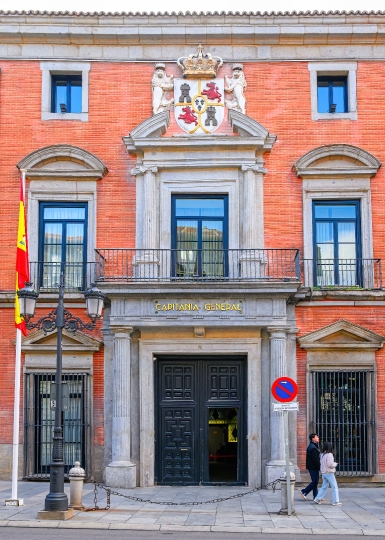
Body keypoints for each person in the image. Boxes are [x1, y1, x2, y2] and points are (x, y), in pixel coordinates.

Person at [314, 442, 342, 506]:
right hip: (329, 472)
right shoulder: (330, 455)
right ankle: (336, 501)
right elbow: (330, 464)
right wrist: (336, 464)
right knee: (334, 487)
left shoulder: (322, 454)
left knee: (324, 486)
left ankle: (318, 498)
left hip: (324, 472)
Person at [299, 433, 320, 501]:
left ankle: (316, 496)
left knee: (315, 481)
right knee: (315, 481)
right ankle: (304, 491)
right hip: (313, 467)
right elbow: (315, 459)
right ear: (313, 438)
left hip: (312, 466)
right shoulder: (313, 447)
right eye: (317, 437)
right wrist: (320, 467)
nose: (318, 438)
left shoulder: (313, 446)